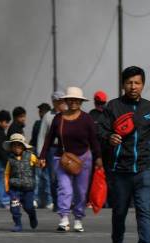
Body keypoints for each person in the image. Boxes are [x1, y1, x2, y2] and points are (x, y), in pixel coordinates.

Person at [100, 66, 150, 243]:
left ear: (143, 85)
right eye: (129, 82)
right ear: (123, 84)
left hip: (144, 169)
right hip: (120, 170)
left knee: (144, 211)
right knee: (119, 212)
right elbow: (99, 130)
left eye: (137, 82)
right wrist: (109, 137)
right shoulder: (113, 106)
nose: (133, 86)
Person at [39, 87, 102, 232]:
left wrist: (98, 157)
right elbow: (49, 139)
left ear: (81, 102)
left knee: (80, 191)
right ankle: (64, 218)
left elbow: (94, 140)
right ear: (66, 101)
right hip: (63, 159)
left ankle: (78, 218)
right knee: (64, 189)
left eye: (77, 100)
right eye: (71, 99)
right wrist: (42, 156)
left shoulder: (87, 119)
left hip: (84, 159)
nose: (74, 102)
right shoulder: (58, 118)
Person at [3, 133, 40, 231]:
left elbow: (38, 164)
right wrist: (7, 187)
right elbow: (7, 174)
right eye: (14, 146)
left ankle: (32, 215)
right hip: (15, 189)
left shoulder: (31, 156)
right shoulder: (10, 160)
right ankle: (18, 224)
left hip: (28, 188)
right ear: (11, 148)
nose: (16, 148)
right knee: (14, 207)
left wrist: (41, 163)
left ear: (23, 146)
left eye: (19, 145)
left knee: (28, 207)